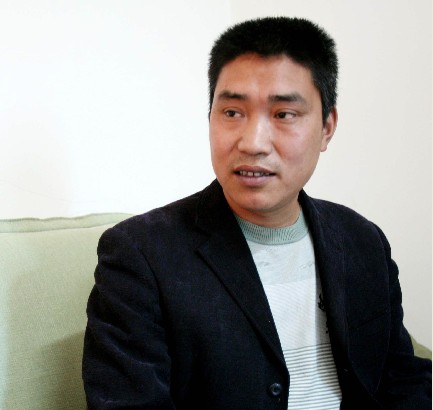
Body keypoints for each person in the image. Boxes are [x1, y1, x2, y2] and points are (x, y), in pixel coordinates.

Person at [82, 17, 431, 409]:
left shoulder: (362, 240)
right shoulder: (140, 255)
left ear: (327, 128)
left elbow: (401, 379)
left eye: (283, 114)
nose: (252, 143)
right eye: (232, 112)